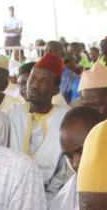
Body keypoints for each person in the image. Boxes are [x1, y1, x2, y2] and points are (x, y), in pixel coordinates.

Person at [6, 53, 70, 202]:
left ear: (55, 90)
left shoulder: (65, 116)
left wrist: (46, 202)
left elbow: (63, 170)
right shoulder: (13, 113)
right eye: (33, 78)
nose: (34, 85)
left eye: (44, 81)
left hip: (49, 196)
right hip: (10, 192)